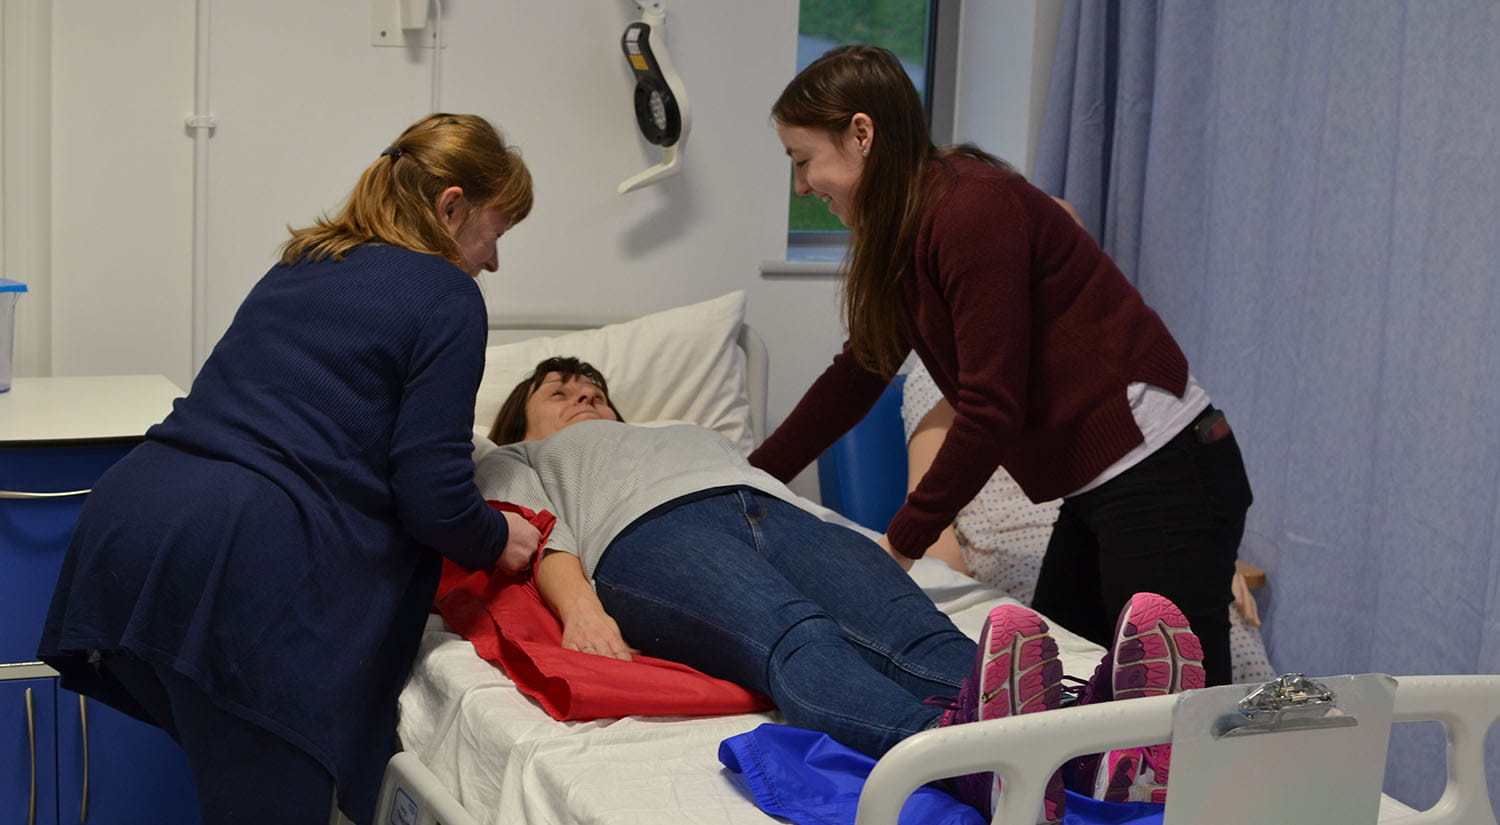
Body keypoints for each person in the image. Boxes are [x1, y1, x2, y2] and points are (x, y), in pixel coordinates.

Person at [38, 113, 541, 825]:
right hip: (243, 559)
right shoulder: (447, 295)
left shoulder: (305, 261)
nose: (492, 260)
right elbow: (432, 494)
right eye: (498, 231)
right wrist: (497, 538)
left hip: (130, 524)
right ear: (452, 206)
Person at [479, 356, 1207, 822]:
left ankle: (1099, 744)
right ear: (523, 415)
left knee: (914, 631)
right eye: (560, 392)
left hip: (786, 512)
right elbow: (539, 532)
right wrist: (579, 605)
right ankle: (967, 757)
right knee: (798, 635)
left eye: (595, 391)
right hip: (649, 535)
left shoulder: (684, 431)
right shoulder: (516, 453)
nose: (583, 399)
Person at [750, 44, 1253, 687]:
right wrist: (751, 478)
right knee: (1066, 686)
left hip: (1166, 470)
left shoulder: (969, 209)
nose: (800, 185)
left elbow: (991, 408)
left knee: (1174, 710)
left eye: (803, 161)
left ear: (861, 133)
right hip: (1106, 483)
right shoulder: (912, 228)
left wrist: (900, 546)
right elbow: (858, 373)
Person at [901, 358, 1276, 686]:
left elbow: (1151, 485)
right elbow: (933, 520)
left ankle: (1263, 752)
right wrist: (966, 607)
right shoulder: (941, 374)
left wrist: (1209, 556)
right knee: (1096, 648)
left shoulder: (1059, 357)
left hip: (1099, 513)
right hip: (1007, 544)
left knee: (1217, 634)